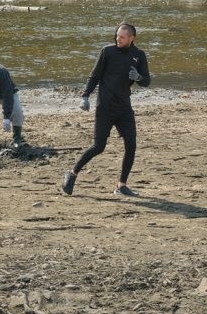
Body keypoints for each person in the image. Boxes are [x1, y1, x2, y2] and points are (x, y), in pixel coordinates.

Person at [62, 23, 151, 197]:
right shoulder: (107, 51)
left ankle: (121, 186)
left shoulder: (139, 55)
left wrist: (138, 77)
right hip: (105, 107)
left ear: (131, 38)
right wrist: (85, 96)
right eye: (117, 35)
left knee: (131, 145)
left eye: (122, 37)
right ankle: (72, 173)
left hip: (124, 107)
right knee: (98, 146)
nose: (118, 39)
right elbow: (94, 75)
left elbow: (147, 81)